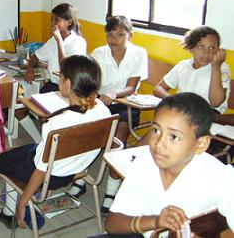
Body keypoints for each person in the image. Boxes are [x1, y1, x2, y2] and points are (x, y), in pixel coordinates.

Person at [0, 55, 111, 237]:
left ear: (67, 84)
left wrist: (23, 201)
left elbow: (40, 170)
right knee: (12, 154)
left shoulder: (56, 124)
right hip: (75, 170)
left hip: (50, 175)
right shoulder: (104, 112)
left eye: (61, 77)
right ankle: (7, 214)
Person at [105, 93, 234, 237]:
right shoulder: (144, 163)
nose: (159, 144)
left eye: (173, 136)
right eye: (156, 130)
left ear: (201, 144)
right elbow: (112, 223)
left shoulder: (221, 178)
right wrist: (156, 221)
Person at [86, 15, 148, 210]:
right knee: (89, 136)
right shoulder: (98, 53)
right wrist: (97, 96)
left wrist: (113, 93)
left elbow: (131, 87)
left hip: (125, 103)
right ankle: (81, 178)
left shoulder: (139, 53)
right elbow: (92, 83)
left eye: (121, 34)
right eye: (110, 34)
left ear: (131, 35)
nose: (114, 39)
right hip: (100, 102)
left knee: (118, 142)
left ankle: (111, 192)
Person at [19, 3, 87, 143]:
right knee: (20, 108)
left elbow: (66, 67)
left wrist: (59, 41)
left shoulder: (78, 42)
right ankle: (41, 142)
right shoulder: (52, 40)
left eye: (57, 20)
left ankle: (52, 143)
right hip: (53, 85)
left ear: (68, 22)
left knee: (49, 117)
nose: (53, 23)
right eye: (52, 19)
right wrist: (30, 69)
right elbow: (35, 56)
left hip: (69, 89)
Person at [154, 26, 231, 114]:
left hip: (208, 115)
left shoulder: (221, 68)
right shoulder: (183, 66)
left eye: (212, 48)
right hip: (183, 112)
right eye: (201, 47)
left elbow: (216, 103)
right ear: (191, 48)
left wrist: (216, 68)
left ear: (218, 50)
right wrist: (176, 101)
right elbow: (158, 89)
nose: (206, 53)